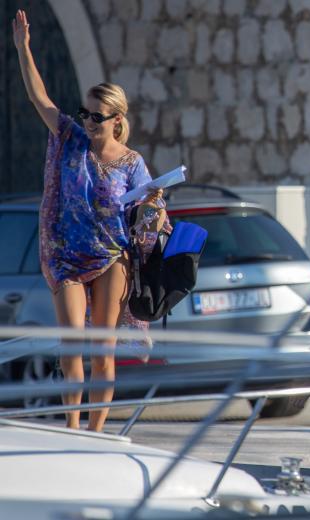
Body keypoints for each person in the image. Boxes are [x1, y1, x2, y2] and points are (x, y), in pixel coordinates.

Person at [13, 10, 163, 432]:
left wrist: (155, 208)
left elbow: (148, 211)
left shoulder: (133, 163)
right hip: (66, 256)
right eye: (86, 113)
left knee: (102, 350)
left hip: (111, 255)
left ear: (117, 120)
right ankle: (73, 427)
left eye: (97, 116)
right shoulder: (68, 139)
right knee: (72, 344)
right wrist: (23, 49)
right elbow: (39, 99)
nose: (88, 122)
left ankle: (96, 432)